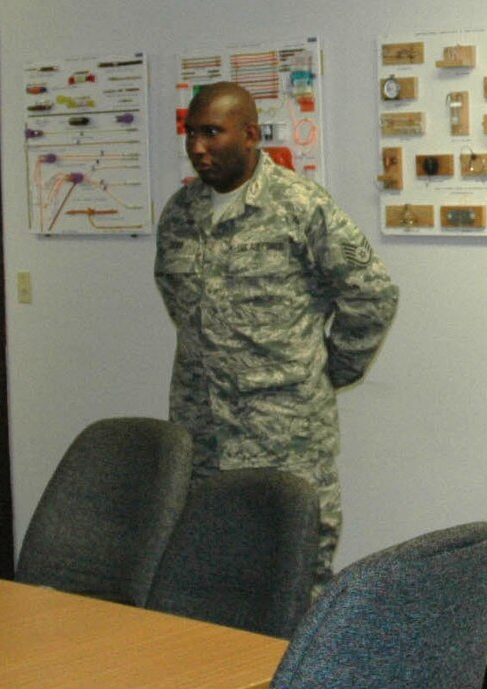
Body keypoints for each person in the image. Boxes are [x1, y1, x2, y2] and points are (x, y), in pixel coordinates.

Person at [154, 81, 398, 588]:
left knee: (294, 579)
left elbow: (371, 292)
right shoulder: (180, 215)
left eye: (212, 133)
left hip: (285, 436)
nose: (198, 147)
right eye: (191, 133)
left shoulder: (299, 206)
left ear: (249, 135)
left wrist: (331, 367)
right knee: (211, 577)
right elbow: (180, 303)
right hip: (203, 436)